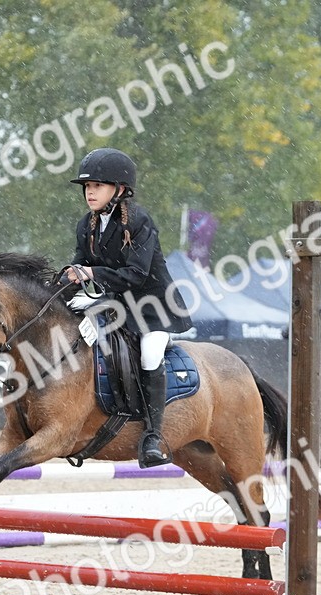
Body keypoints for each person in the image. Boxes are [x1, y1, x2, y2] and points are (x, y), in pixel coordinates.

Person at [63, 147, 191, 468]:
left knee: (149, 354)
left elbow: (135, 274)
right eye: (87, 187)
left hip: (152, 308)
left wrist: (91, 274)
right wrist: (70, 277)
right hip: (116, 305)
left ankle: (152, 436)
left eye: (98, 186)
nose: (90, 192)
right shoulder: (86, 225)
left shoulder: (138, 221)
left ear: (119, 190)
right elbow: (81, 264)